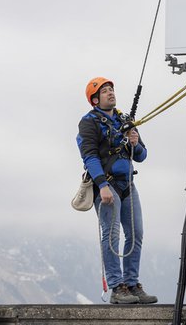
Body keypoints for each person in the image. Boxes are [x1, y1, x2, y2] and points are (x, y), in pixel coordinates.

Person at [76, 77, 158, 305]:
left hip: (127, 184)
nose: (110, 93)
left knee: (136, 233)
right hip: (108, 184)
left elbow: (142, 156)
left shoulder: (125, 120)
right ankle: (116, 286)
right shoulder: (89, 123)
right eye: (104, 91)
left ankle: (132, 284)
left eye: (111, 89)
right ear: (95, 99)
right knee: (111, 235)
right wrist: (102, 185)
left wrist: (135, 143)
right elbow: (89, 156)